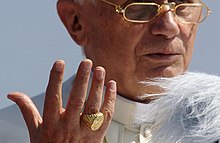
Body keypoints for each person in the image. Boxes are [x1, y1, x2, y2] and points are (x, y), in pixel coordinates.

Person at [1, 0, 219, 142]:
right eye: (140, 8)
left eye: (183, 5)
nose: (169, 27)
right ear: (76, 22)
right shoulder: (8, 132)